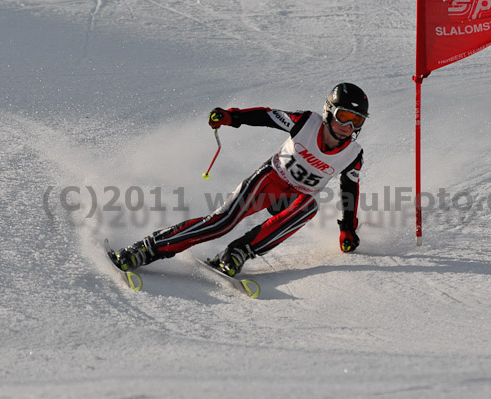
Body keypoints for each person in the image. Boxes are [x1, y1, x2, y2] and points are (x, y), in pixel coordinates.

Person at [110, 82, 368, 277]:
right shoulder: (306, 123)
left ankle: (238, 252)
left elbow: (350, 190)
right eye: (343, 116)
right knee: (221, 223)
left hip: (293, 199)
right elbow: (267, 116)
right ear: (329, 112)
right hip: (270, 180)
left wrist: (347, 228)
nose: (348, 126)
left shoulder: (352, 154)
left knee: (308, 206)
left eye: (356, 120)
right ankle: (146, 249)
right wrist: (232, 117)